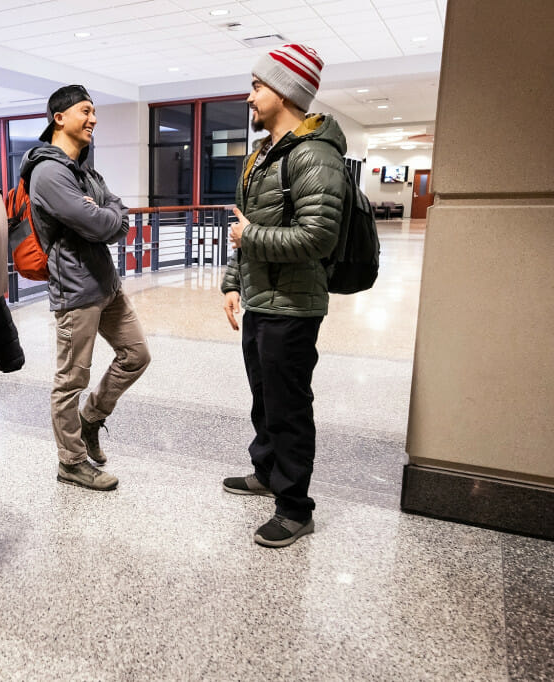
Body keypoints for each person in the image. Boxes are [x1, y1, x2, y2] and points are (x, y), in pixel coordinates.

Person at [220, 44, 347, 548]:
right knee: (264, 397)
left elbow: (318, 237)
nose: (250, 96)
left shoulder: (314, 155)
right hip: (261, 299)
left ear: (284, 91)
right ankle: (266, 472)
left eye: (257, 86)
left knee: (288, 407)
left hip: (293, 307)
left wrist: (247, 239)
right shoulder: (262, 156)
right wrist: (233, 282)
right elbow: (243, 226)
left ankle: (295, 507)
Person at [19, 85, 150, 492]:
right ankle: (71, 462)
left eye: (94, 112)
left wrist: (107, 214)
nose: (93, 119)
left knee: (136, 355)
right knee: (70, 381)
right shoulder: (49, 172)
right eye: (85, 111)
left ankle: (91, 418)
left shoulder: (84, 169)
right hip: (76, 292)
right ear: (59, 118)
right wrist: (106, 214)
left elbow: (118, 213)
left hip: (107, 285)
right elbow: (102, 223)